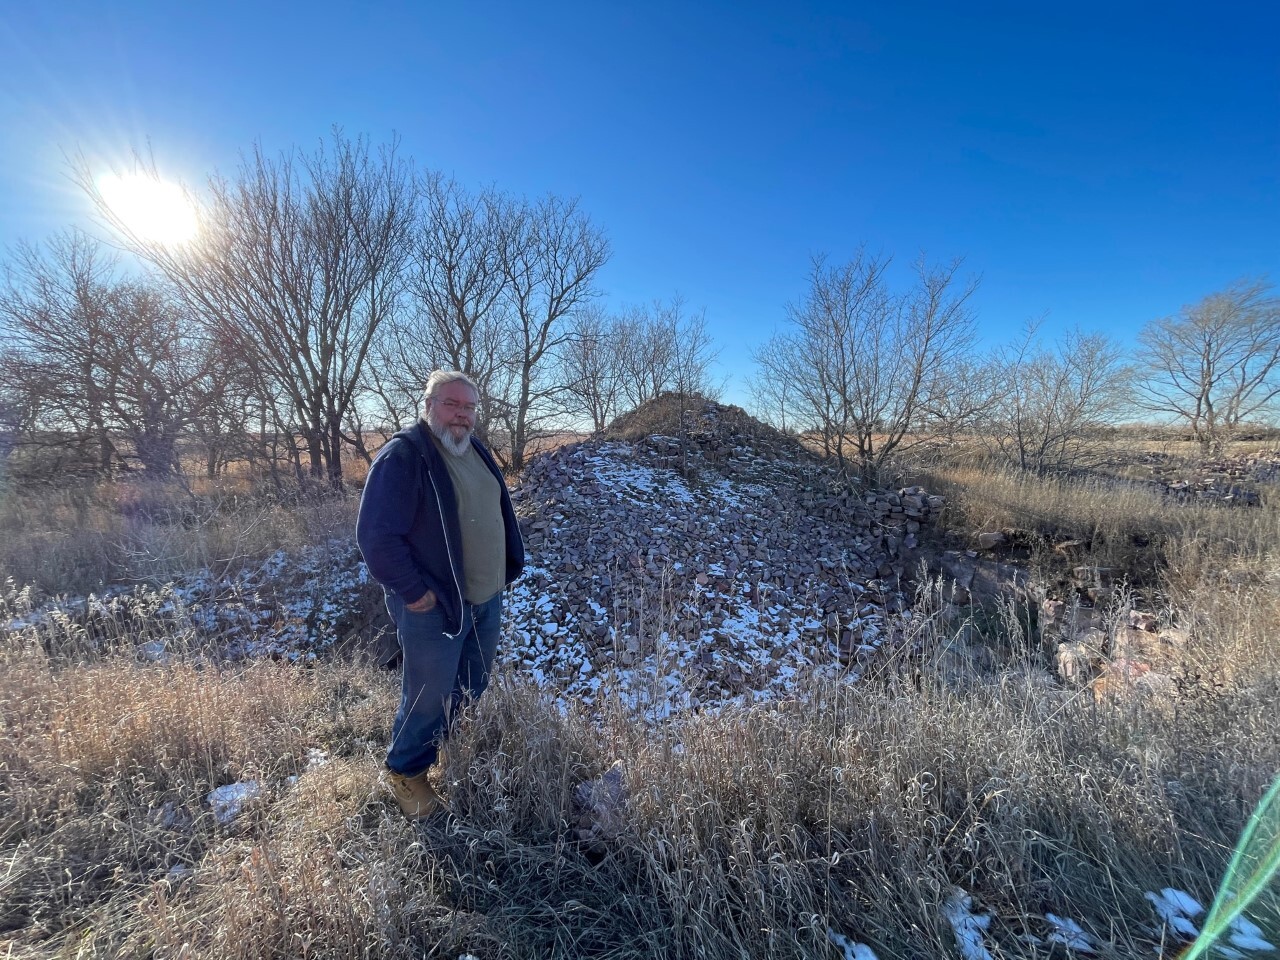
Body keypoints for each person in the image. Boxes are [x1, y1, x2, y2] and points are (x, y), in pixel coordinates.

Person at [356, 371, 524, 818]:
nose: (462, 414)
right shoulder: (405, 456)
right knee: (427, 694)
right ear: (428, 405)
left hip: (485, 598)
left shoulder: (475, 450)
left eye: (469, 407)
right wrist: (415, 594)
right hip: (436, 607)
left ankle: (445, 752)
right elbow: (376, 536)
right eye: (452, 404)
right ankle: (404, 771)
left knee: (472, 683)